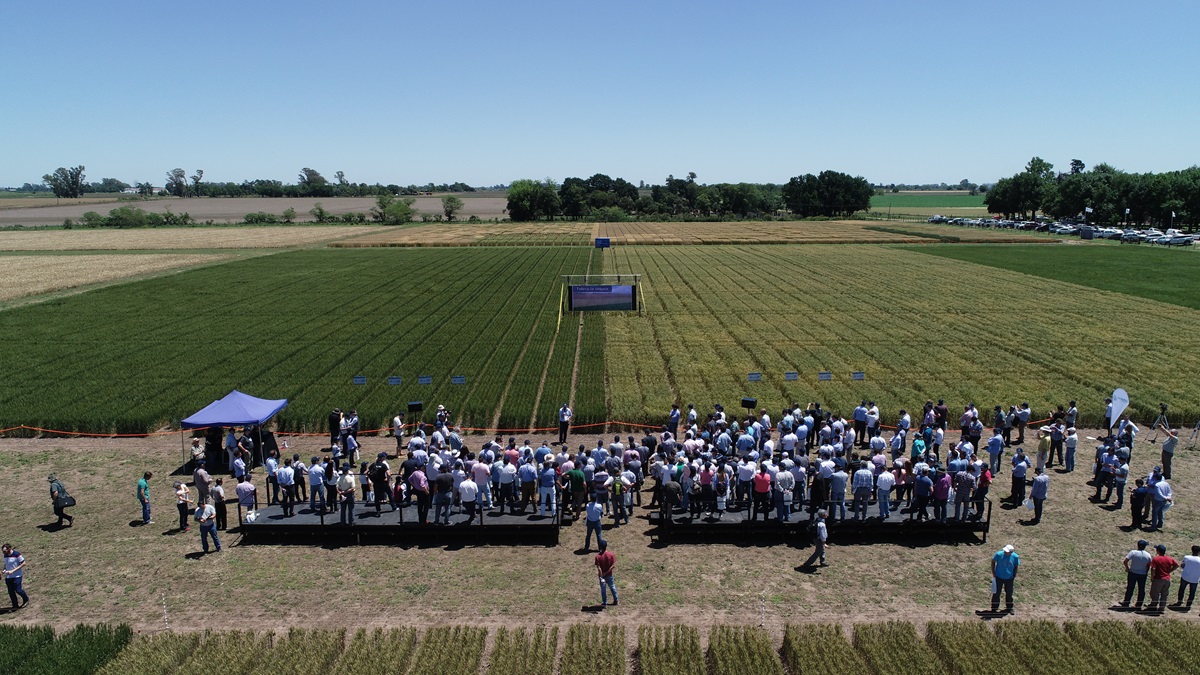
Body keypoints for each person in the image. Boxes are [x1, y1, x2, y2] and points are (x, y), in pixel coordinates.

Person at [1121, 539, 1153, 609]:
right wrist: (1146, 572)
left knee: (1130, 588)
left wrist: (1128, 568)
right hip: (1142, 574)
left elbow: (1125, 561)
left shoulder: (1133, 552)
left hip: (1133, 573)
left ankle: (1126, 602)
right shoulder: (1148, 555)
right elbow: (1149, 565)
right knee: (1141, 589)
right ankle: (1139, 604)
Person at [1149, 544, 1179, 613]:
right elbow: (1176, 565)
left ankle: (1153, 606)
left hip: (1158, 579)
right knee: (1164, 594)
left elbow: (1153, 568)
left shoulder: (1156, 559)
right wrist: (1169, 571)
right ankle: (1162, 608)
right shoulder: (1169, 559)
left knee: (1155, 593)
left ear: (1158, 551)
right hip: (1167, 579)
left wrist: (1152, 577)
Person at [991, 544, 1019, 614]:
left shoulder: (1015, 557)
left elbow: (1016, 565)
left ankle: (1009, 608)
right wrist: (993, 572)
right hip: (999, 577)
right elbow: (993, 561)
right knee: (996, 593)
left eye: (1007, 551)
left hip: (1009, 578)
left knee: (1009, 593)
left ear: (1011, 552)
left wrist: (1014, 574)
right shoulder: (999, 554)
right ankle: (994, 608)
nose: (1005, 552)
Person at [1172, 545, 1200, 610]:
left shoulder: (1186, 557)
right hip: (1195, 579)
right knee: (1192, 592)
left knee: (1182, 589)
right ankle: (1188, 605)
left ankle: (1179, 601)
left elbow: (1182, 565)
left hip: (1185, 576)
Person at [2, 544, 29, 609]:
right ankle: (15, 606)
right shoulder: (5, 555)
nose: (4, 553)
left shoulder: (16, 554)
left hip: (17, 576)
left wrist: (13, 570)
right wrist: (4, 569)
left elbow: (23, 563)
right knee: (11, 592)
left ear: (9, 549)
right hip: (8, 577)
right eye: (3, 551)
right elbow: (7, 563)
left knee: (18, 590)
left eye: (5, 551)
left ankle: (26, 599)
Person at [595, 541, 618, 607]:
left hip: (602, 576)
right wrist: (607, 572)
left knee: (603, 589)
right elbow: (613, 566)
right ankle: (616, 600)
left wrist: (601, 575)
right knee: (612, 587)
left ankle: (604, 603)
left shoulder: (598, 557)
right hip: (609, 575)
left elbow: (599, 568)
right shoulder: (611, 554)